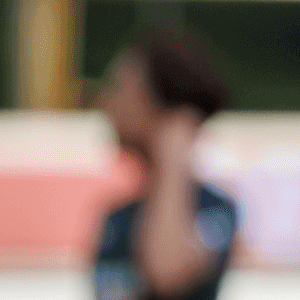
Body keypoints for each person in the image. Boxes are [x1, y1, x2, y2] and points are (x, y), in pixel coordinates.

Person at [92, 28, 238, 300]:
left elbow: (167, 272)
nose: (106, 104)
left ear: (163, 107)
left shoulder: (214, 210)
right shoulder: (117, 218)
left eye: (119, 88)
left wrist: (172, 156)